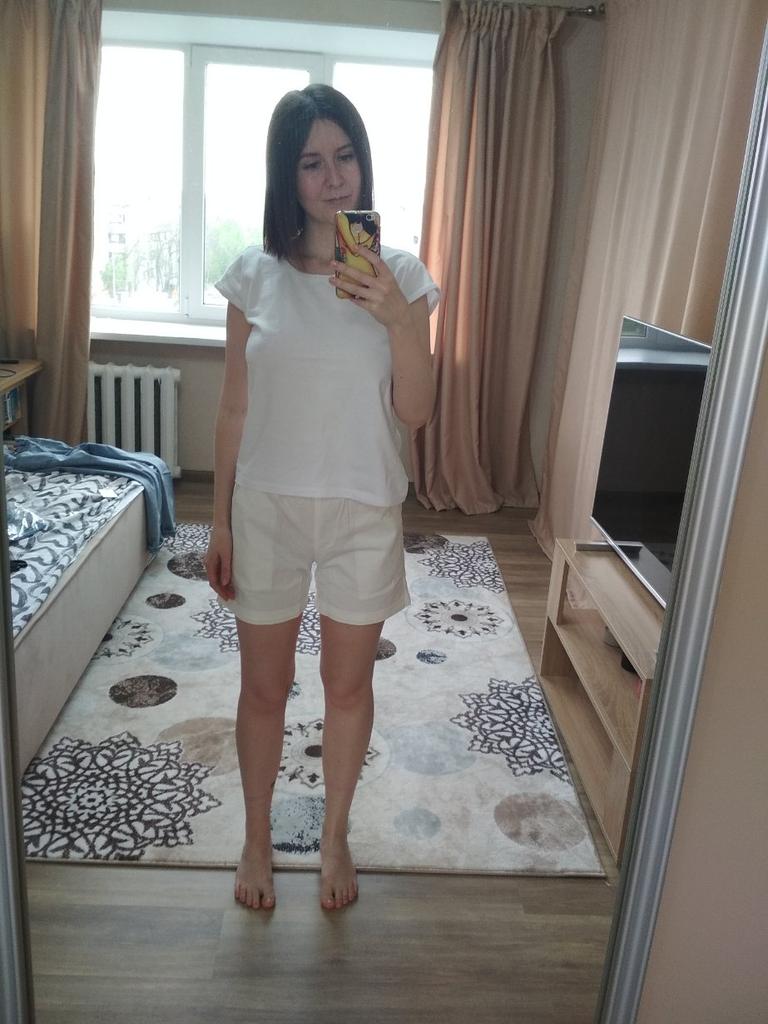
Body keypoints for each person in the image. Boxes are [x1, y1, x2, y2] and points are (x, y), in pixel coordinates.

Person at [204, 84, 440, 913]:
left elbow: (416, 411)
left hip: (362, 509)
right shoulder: (254, 275)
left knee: (347, 689)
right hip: (266, 508)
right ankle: (257, 837)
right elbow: (233, 408)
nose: (334, 178)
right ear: (287, 175)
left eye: (345, 158)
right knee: (263, 690)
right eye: (312, 163)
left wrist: (399, 320)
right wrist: (219, 520)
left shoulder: (401, 275)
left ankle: (334, 834)